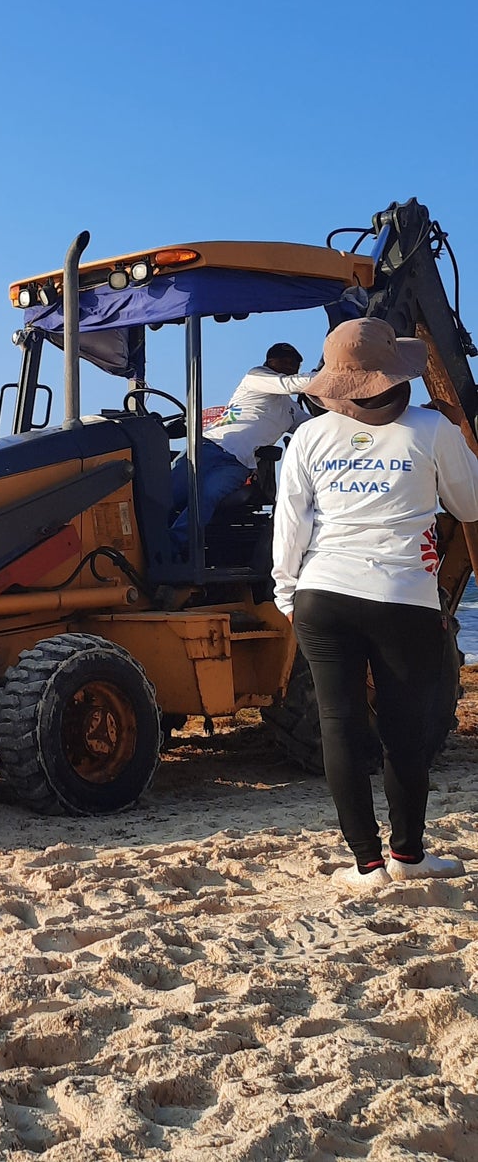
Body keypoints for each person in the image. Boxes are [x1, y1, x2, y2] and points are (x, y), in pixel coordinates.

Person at [272, 319, 478, 891]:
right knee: (402, 729)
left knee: (339, 724)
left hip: (322, 593)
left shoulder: (310, 439)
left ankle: (365, 865)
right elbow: (471, 502)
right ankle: (408, 856)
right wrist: (460, 434)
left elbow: (291, 526)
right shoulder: (431, 428)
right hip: (401, 598)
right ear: (399, 374)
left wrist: (287, 594)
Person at [170, 342, 314, 550]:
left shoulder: (290, 409)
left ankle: (173, 549)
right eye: (284, 361)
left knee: (207, 496)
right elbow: (289, 384)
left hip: (237, 464)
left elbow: (313, 426)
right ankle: (147, 547)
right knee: (168, 494)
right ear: (269, 362)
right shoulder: (256, 377)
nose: (290, 366)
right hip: (207, 447)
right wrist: (332, 376)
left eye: (295, 364)